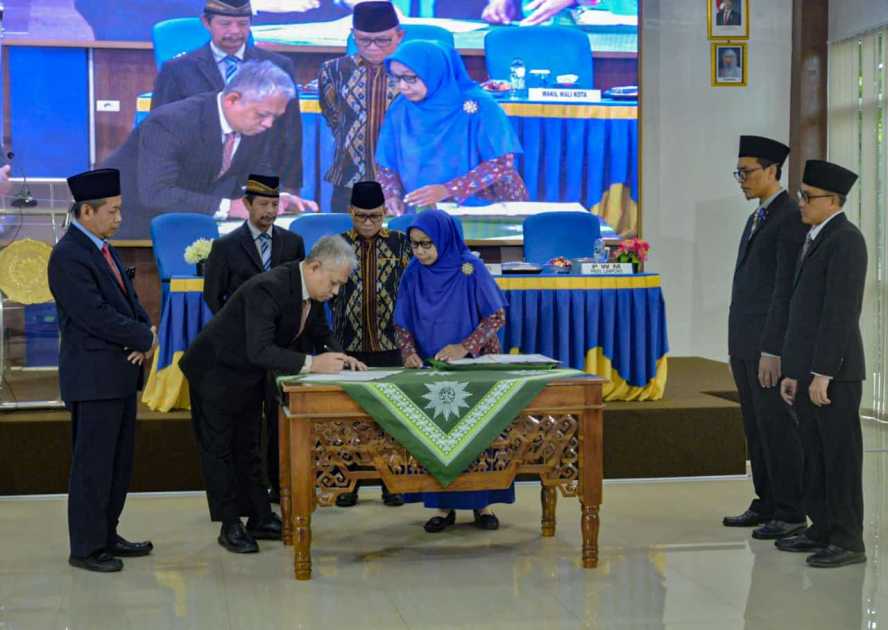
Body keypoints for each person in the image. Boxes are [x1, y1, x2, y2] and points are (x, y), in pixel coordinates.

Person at [180, 236, 367, 553]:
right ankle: (230, 525)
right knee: (220, 448)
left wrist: (342, 357)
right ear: (315, 266)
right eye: (334, 283)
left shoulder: (311, 292)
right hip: (215, 371)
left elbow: (320, 332)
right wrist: (313, 364)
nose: (335, 292)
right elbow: (260, 349)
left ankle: (260, 516)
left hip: (248, 374)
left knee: (250, 444)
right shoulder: (269, 287)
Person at [47, 168, 158, 573]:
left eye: (120, 209)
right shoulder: (68, 256)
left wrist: (144, 333)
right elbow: (93, 315)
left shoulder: (102, 249)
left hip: (118, 375)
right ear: (86, 212)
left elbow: (129, 302)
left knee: (117, 464)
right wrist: (141, 337)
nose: (119, 218)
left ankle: (107, 534)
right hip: (93, 379)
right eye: (112, 211)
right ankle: (86, 547)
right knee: (92, 467)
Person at [394, 209, 511, 532]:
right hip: (433, 367)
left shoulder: (470, 268)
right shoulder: (413, 272)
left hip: (474, 365)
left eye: (427, 244)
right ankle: (442, 507)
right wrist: (408, 353)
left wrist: (464, 347)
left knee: (478, 435)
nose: (420, 251)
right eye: (415, 244)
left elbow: (496, 316)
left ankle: (483, 505)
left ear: (444, 239)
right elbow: (402, 320)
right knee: (437, 436)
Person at [778, 160, 867, 568]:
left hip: (834, 374)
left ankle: (847, 539)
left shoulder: (846, 240)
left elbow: (839, 313)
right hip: (807, 370)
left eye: (808, 197)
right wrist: (794, 372)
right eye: (801, 195)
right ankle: (822, 526)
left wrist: (823, 374)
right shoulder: (816, 236)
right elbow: (802, 313)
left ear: (833, 201)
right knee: (814, 455)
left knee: (839, 458)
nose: (801, 203)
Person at [150, 0, 315, 212]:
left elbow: (290, 132)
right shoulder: (177, 70)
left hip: (261, 181)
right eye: (225, 24)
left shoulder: (278, 66)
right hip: (197, 186)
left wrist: (291, 187)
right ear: (206, 23)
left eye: (242, 24)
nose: (235, 31)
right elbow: (159, 133)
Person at [104, 60, 299, 240]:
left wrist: (275, 197)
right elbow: (157, 193)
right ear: (232, 100)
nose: (268, 124)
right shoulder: (170, 122)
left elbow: (258, 167)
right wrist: (229, 207)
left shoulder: (254, 124)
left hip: (189, 220)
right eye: (263, 115)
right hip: (129, 222)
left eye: (275, 117)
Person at [203, 173, 306, 503]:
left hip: (280, 348)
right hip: (243, 352)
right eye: (263, 204)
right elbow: (213, 296)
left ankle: (279, 485)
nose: (270, 212)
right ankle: (251, 492)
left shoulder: (292, 244)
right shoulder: (225, 246)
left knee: (279, 421)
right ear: (247, 205)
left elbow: (299, 292)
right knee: (245, 423)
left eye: (275, 205)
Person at [723, 136, 807, 540]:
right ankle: (767, 501)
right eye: (738, 173)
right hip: (745, 340)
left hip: (767, 346)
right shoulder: (758, 217)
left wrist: (773, 348)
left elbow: (783, 290)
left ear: (772, 170)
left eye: (747, 172)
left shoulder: (789, 217)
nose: (742, 180)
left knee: (777, 427)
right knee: (755, 427)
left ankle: (790, 510)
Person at [376, 40, 529, 215]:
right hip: (423, 206)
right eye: (396, 78)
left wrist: (448, 190)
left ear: (435, 72)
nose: (402, 86)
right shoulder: (401, 107)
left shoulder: (480, 105)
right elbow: (387, 163)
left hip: (486, 206)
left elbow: (501, 163)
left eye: (410, 78)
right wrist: (391, 195)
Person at [330, 181, 410, 507]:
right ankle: (350, 483)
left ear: (385, 212)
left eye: (374, 216)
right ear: (350, 211)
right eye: (361, 216)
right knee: (351, 418)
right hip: (349, 345)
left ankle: (392, 483)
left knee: (390, 418)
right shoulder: (335, 245)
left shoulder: (400, 243)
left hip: (391, 345)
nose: (367, 223)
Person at [319, 1, 404, 213]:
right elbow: (334, 118)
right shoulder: (333, 71)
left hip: (404, 180)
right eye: (364, 40)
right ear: (353, 36)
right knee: (345, 234)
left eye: (383, 40)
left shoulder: (414, 72)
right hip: (349, 180)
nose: (373, 47)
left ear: (400, 36)